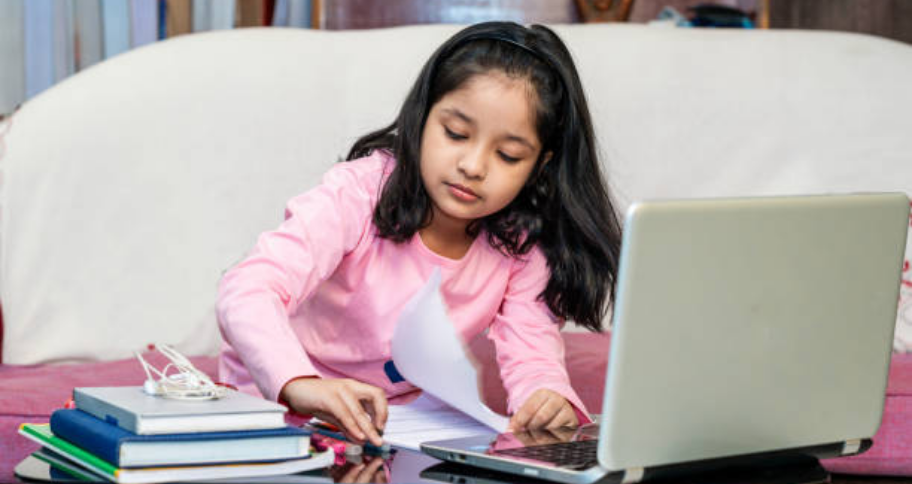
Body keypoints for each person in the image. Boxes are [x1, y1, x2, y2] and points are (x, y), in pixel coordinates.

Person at [216, 21, 622, 448]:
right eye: (456, 134)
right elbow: (247, 288)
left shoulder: (521, 242)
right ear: (423, 116)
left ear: (540, 165)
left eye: (508, 155)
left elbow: (532, 351)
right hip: (279, 407)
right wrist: (300, 383)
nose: (473, 165)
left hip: (397, 425)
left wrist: (546, 396)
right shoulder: (358, 193)